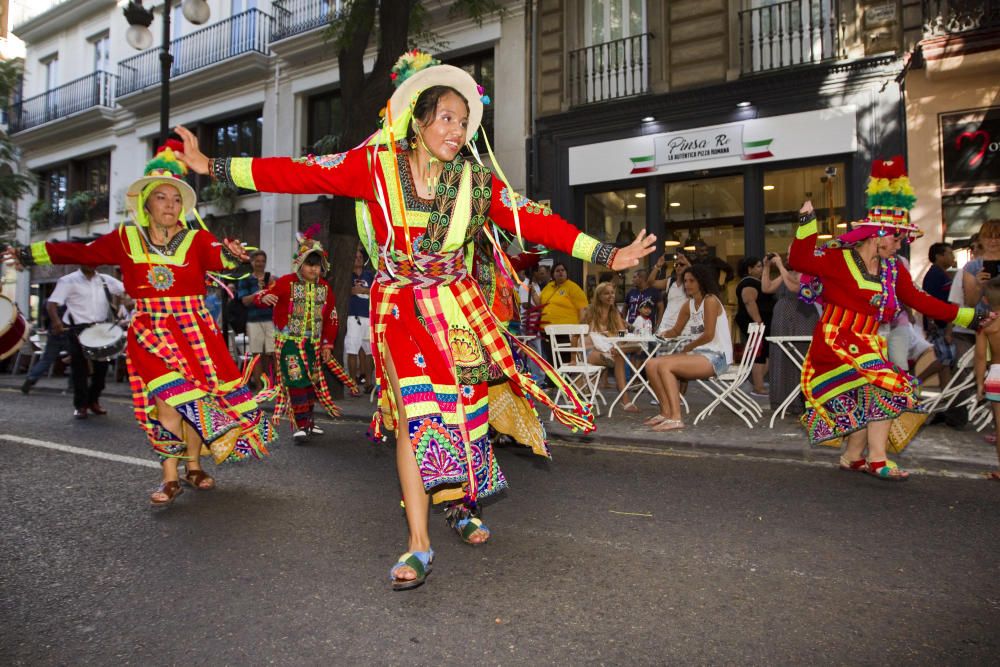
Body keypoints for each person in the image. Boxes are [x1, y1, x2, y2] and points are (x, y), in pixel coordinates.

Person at [172, 51, 655, 590]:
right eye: (446, 117)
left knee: (466, 416)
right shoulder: (375, 167)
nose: (457, 129)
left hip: (456, 309)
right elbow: (299, 170)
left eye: (464, 120)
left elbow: (535, 220)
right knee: (416, 414)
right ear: (418, 122)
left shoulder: (475, 181)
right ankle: (419, 543)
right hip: (400, 310)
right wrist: (212, 166)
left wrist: (609, 255)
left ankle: (459, 501)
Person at [3, 141, 274, 507]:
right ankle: (169, 477)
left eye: (176, 199)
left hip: (195, 329)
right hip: (152, 331)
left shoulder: (196, 239)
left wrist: (233, 254)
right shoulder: (125, 239)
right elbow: (81, 254)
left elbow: (220, 257)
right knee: (167, 403)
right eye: (161, 198)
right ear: (146, 203)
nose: (170, 205)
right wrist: (27, 252)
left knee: (198, 402)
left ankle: (193, 466)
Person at [787, 157, 984, 481]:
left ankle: (853, 456)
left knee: (867, 396)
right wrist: (808, 222)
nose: (900, 243)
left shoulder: (893, 269)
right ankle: (877, 458)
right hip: (835, 341)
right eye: (895, 236)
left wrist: (969, 316)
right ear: (877, 234)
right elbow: (799, 259)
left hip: (866, 343)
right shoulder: (838, 258)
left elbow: (920, 301)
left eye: (902, 238)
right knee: (889, 386)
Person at [255, 233, 348, 443]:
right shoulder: (286, 283)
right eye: (309, 264)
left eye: (317, 265)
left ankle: (309, 422)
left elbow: (332, 317)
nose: (314, 269)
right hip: (289, 343)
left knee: (310, 382)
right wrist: (263, 297)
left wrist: (327, 343)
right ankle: (302, 423)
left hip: (313, 344)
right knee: (296, 379)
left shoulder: (325, 288)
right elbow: (263, 296)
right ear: (299, 264)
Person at [645, 264, 733, 431]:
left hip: (717, 357)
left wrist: (687, 349)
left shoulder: (710, 300)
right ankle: (665, 413)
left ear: (701, 281)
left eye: (692, 280)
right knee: (651, 364)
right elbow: (676, 330)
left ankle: (676, 418)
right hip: (699, 354)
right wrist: (661, 334)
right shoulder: (689, 305)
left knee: (665, 365)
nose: (687, 284)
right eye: (685, 281)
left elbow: (708, 335)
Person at [45, 265, 125, 418]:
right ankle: (81, 405)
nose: (91, 262)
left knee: (101, 370)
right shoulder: (68, 281)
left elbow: (126, 289)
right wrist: (56, 322)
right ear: (79, 261)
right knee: (80, 370)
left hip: (101, 329)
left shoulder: (105, 279)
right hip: (77, 329)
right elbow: (51, 304)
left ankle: (93, 400)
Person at [761, 252, 818, 413]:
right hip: (782, 319)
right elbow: (767, 288)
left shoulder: (809, 273)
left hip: (802, 317)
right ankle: (783, 402)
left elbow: (795, 286)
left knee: (800, 356)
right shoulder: (788, 273)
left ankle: (802, 402)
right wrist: (766, 267)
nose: (788, 256)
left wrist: (779, 266)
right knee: (781, 357)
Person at [581, 281, 638, 411]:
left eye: (612, 293)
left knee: (621, 354)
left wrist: (617, 344)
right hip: (589, 351)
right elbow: (575, 334)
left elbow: (622, 335)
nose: (611, 296)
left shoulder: (614, 313)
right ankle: (625, 400)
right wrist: (573, 358)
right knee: (618, 355)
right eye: (606, 293)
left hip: (608, 349)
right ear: (599, 296)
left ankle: (624, 398)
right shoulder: (591, 312)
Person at [236, 250, 275, 390]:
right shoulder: (246, 280)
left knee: (270, 353)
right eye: (257, 261)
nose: (260, 264)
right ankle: (259, 387)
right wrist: (257, 294)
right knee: (257, 354)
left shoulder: (271, 278)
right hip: (253, 320)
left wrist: (272, 286)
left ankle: (271, 385)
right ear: (252, 262)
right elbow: (244, 301)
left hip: (270, 320)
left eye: (263, 261)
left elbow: (277, 297)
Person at [735, 256, 773, 397]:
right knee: (759, 354)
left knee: (765, 353)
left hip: (762, 323)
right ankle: (758, 387)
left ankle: (756, 382)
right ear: (749, 269)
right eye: (758, 266)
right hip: (756, 323)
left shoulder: (756, 282)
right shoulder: (749, 283)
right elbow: (749, 301)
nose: (761, 269)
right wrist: (758, 321)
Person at [974, 277, 1000, 482]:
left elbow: (981, 357)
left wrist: (980, 383)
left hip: (996, 374)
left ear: (986, 300)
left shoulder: (986, 324)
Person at [921, 242, 956, 387]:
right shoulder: (934, 275)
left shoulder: (943, 274)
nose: (952, 257)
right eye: (949, 253)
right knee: (946, 359)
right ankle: (916, 380)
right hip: (938, 324)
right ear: (939, 256)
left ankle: (946, 393)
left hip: (944, 322)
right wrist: (931, 322)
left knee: (946, 361)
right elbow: (928, 299)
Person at [20, 303, 70, 394]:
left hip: (54, 334)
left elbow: (45, 319)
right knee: (77, 357)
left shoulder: (48, 302)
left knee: (46, 360)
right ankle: (73, 384)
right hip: (69, 333)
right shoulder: (71, 301)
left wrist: (49, 329)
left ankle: (31, 378)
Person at [346, 246, 374, 392]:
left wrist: (363, 290)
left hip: (368, 317)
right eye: (355, 257)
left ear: (363, 260)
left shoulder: (369, 275)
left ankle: (369, 383)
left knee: (369, 352)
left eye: (360, 258)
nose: (357, 260)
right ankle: (353, 385)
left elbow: (375, 291)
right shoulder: (347, 276)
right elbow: (346, 290)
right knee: (352, 350)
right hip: (353, 317)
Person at [652, 251, 692, 338]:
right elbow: (651, 283)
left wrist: (687, 262)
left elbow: (698, 276)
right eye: (676, 265)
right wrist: (657, 266)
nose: (678, 266)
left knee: (680, 351)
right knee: (661, 351)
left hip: (682, 328)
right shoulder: (670, 282)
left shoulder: (691, 285)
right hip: (665, 325)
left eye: (681, 264)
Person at [539, 261, 589, 327]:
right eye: (557, 271)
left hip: (566, 330)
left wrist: (581, 328)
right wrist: (533, 292)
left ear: (566, 273)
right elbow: (540, 305)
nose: (560, 272)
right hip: (545, 329)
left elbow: (583, 309)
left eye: (563, 270)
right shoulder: (548, 286)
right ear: (553, 274)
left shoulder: (574, 287)